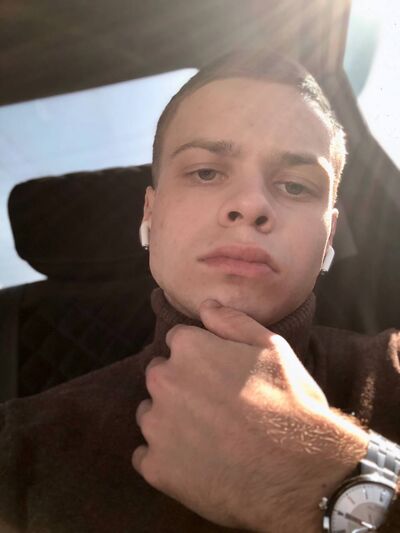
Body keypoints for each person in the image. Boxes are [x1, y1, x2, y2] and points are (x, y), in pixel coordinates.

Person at [0, 50, 399, 533]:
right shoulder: (17, 449)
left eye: (295, 186)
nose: (250, 204)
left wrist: (333, 477)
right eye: (206, 172)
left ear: (328, 237)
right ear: (150, 214)